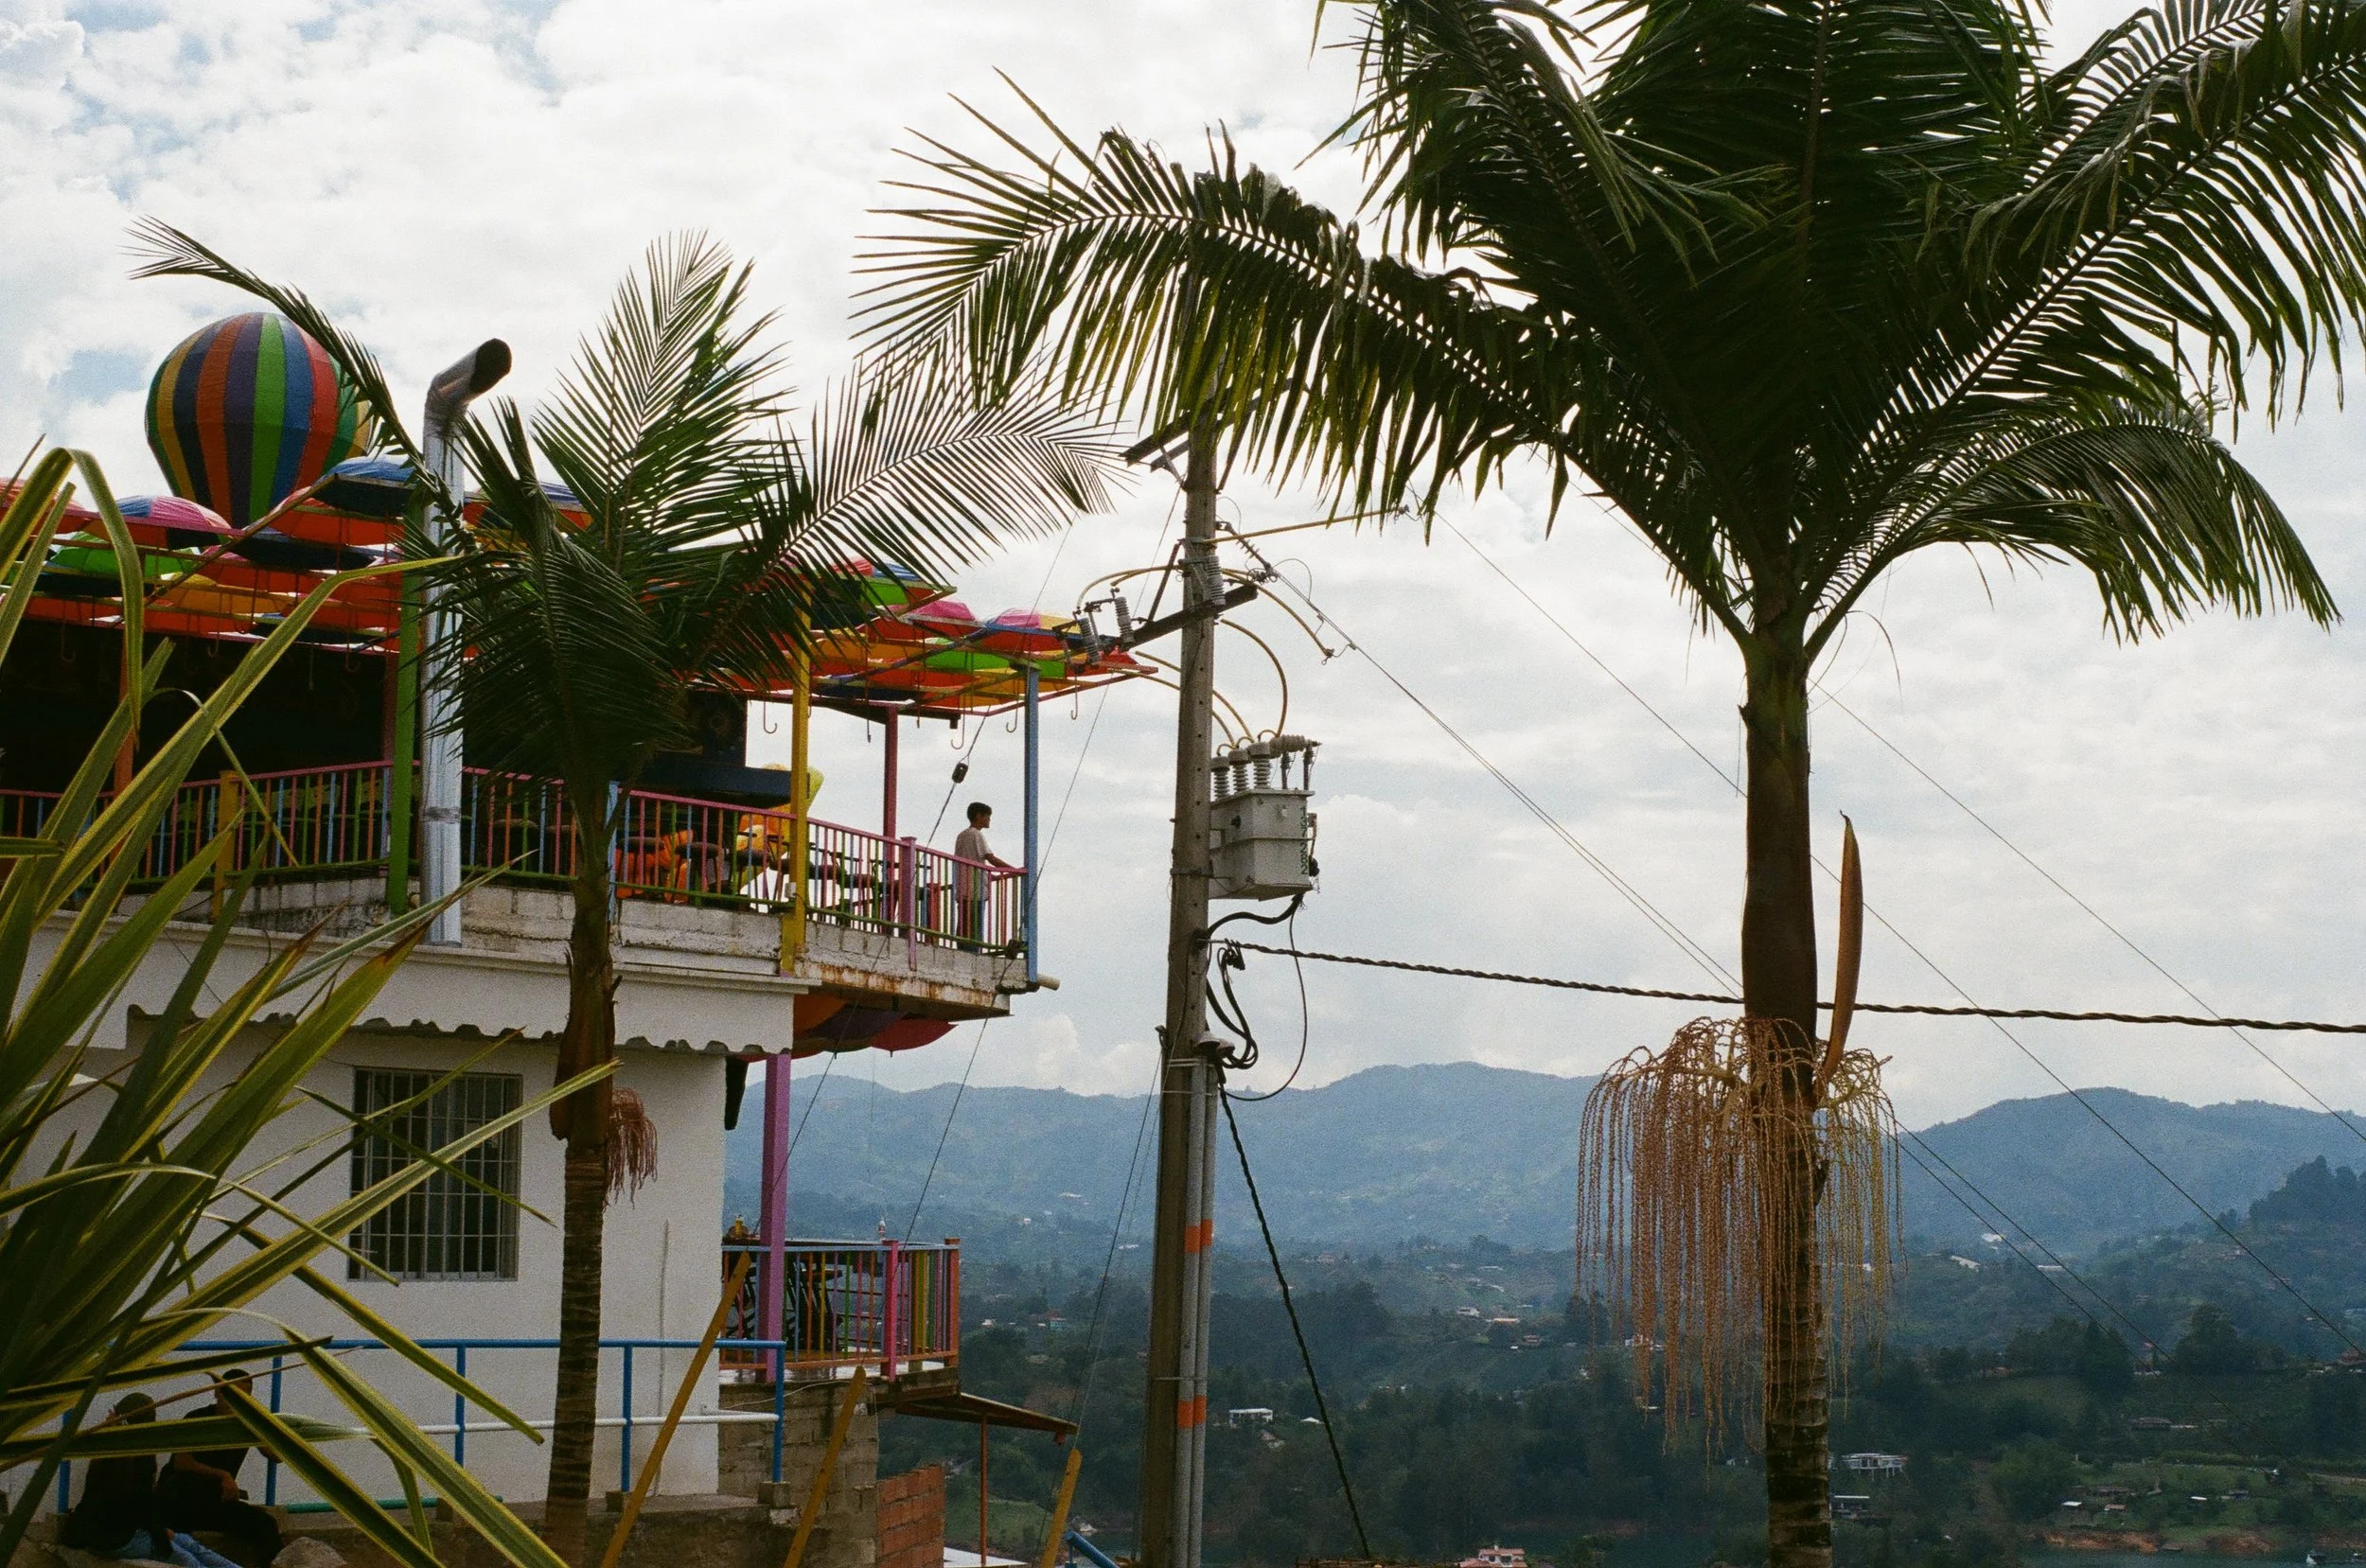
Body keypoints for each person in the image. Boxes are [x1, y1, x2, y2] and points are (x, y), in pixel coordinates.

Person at [59, 1393, 239, 1568]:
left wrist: (159, 1531)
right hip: (115, 1539)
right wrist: (159, 1533)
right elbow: (134, 1507)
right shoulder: (129, 1457)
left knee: (188, 1545)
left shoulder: (113, 1453)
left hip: (119, 1534)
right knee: (187, 1558)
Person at [156, 1370, 281, 1567]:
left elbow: (277, 1456)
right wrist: (223, 1475)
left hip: (215, 1501)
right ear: (217, 1393)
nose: (235, 1401)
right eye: (230, 1394)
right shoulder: (197, 1418)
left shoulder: (246, 1425)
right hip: (181, 1498)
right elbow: (181, 1463)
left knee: (265, 1525)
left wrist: (258, 1427)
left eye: (242, 1396)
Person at [951, 802, 1013, 947]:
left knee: (964, 924)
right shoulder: (976, 834)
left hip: (963, 886)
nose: (989, 820)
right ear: (979, 816)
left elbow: (971, 858)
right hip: (975, 889)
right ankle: (971, 951)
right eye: (988, 817)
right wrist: (1013, 870)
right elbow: (990, 858)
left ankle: (963, 949)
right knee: (974, 926)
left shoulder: (962, 835)